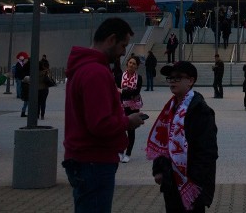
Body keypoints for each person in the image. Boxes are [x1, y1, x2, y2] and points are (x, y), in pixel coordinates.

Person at [63, 17, 147, 213]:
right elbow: (99, 124)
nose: (124, 52)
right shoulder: (96, 72)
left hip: (83, 159)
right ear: (111, 40)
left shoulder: (82, 68)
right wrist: (128, 122)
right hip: (94, 161)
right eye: (123, 45)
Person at [147, 61, 218, 213]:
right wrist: (159, 169)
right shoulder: (169, 109)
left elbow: (207, 151)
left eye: (178, 77)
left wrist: (194, 181)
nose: (172, 81)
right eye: (170, 78)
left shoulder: (201, 111)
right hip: (170, 182)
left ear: (191, 80)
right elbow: (162, 142)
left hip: (191, 185)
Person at [118, 54, 144, 163]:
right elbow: (116, 91)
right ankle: (120, 151)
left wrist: (122, 91)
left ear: (137, 67)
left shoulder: (139, 78)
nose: (131, 65)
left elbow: (136, 92)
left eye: (134, 64)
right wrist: (127, 93)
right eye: (130, 63)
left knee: (131, 130)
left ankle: (128, 153)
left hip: (133, 107)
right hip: (121, 106)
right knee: (120, 129)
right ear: (127, 63)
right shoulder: (120, 76)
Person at [14, 52, 30, 116]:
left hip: (22, 78)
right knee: (19, 86)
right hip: (20, 77)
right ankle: (19, 95)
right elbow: (19, 71)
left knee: (26, 101)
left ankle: (23, 112)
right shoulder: (19, 64)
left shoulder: (22, 64)